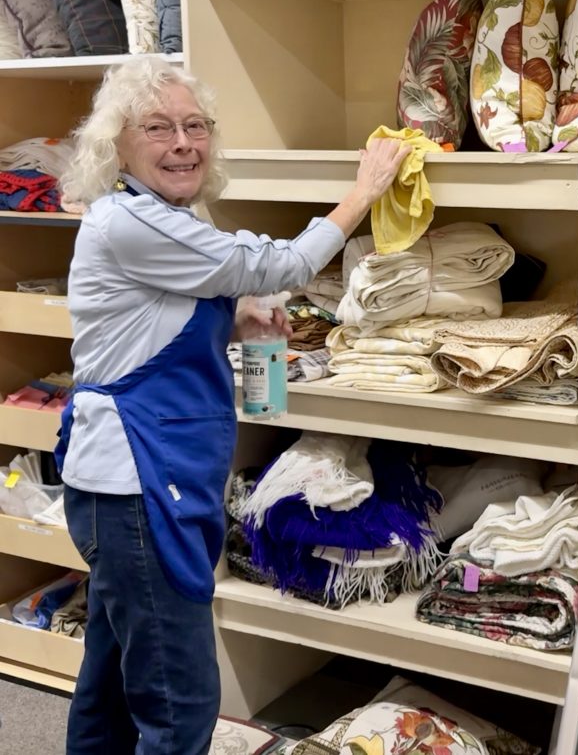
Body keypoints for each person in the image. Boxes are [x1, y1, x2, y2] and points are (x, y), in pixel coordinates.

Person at [55, 56, 408, 755]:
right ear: (116, 144)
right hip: (139, 487)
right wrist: (362, 193)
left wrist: (233, 322)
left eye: (195, 125)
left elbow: (158, 317)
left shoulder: (152, 219)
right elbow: (269, 263)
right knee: (180, 702)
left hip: (131, 484)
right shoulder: (132, 221)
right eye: (157, 127)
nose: (182, 142)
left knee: (111, 685)